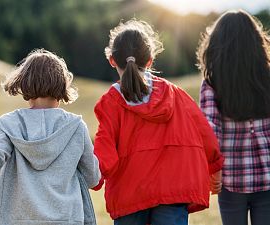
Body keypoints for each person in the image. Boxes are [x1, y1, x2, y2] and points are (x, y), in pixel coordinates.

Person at [93, 19, 224, 225]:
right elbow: (204, 133)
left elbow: (104, 150)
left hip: (130, 195)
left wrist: (93, 177)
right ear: (150, 61)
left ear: (111, 60)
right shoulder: (175, 94)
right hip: (174, 189)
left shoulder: (111, 102)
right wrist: (215, 168)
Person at [0, 49, 101, 225]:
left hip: (16, 219)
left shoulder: (9, 124)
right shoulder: (76, 127)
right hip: (66, 219)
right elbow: (93, 178)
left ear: (24, 83)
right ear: (62, 85)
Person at [198, 10, 270, 225]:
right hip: (267, 176)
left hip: (230, 180)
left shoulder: (212, 82)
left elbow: (210, 133)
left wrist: (213, 171)